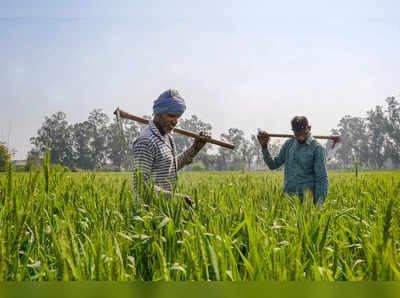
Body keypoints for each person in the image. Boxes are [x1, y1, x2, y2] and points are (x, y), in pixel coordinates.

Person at [132, 89, 210, 206]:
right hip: (147, 212)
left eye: (177, 117)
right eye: (171, 116)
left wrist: (195, 148)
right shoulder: (146, 141)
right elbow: (141, 186)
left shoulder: (167, 137)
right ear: (158, 113)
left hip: (164, 209)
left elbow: (170, 167)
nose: (175, 122)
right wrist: (175, 198)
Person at [257, 116, 329, 204]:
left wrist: (319, 204)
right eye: (297, 134)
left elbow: (322, 179)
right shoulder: (288, 145)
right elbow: (273, 165)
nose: (300, 138)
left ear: (309, 128)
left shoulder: (317, 149)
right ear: (293, 131)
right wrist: (264, 147)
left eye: (303, 133)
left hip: (307, 203)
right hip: (288, 200)